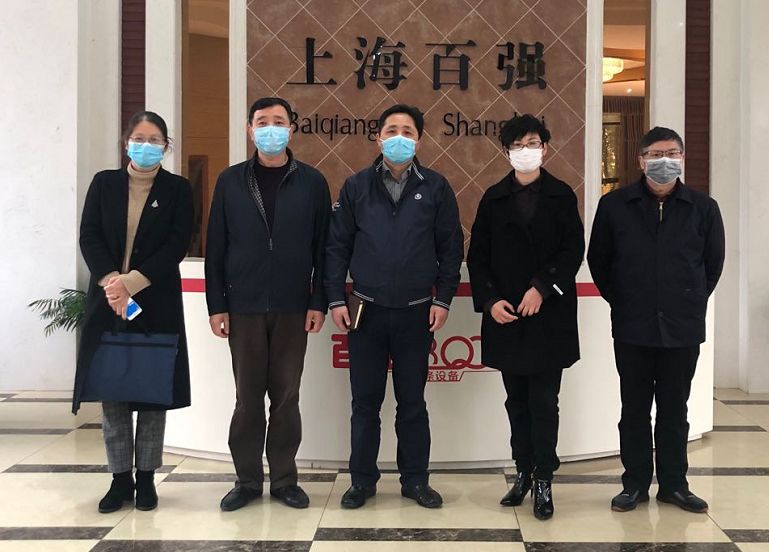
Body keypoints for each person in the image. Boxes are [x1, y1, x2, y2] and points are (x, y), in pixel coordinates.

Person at [325, 104, 463, 509]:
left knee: (412, 403)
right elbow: (337, 246)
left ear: (419, 139)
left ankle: (415, 481)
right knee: (365, 403)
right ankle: (362, 481)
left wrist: (444, 298)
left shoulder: (436, 187)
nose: (398, 137)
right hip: (365, 311)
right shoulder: (356, 186)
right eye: (391, 130)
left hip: (417, 311)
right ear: (378, 137)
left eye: (407, 131)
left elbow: (451, 248)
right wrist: (335, 297)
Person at [587, 126, 725, 514]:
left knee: (674, 410)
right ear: (641, 160)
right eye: (655, 154)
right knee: (633, 409)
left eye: (672, 154)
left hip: (682, 328)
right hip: (632, 326)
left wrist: (688, 299)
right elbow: (599, 261)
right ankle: (634, 485)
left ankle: (674, 485)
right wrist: (624, 300)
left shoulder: (703, 207)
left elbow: (712, 264)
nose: (664, 161)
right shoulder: (615, 206)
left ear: (682, 158)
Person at [205, 97, 331, 511]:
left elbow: (324, 248)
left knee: (286, 397)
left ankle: (284, 480)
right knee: (247, 399)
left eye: (279, 121)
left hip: (294, 306)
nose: (271, 128)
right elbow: (216, 246)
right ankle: (246, 481)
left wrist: (318, 301)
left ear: (292, 128)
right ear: (249, 129)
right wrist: (216, 305)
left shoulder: (312, 182)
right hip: (243, 307)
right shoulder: (230, 181)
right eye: (262, 122)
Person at [74, 111, 194, 513]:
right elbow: (89, 234)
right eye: (139, 138)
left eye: (155, 139)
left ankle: (146, 479)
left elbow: (178, 243)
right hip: (108, 300)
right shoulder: (104, 183)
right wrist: (112, 282)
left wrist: (132, 283)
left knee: (152, 391)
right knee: (113, 391)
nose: (146, 145)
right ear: (126, 142)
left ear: (166, 146)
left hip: (155, 303)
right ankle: (119, 479)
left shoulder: (177, 189)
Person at [467, 114, 584, 520]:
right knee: (516, 401)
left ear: (545, 148)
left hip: (548, 318)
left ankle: (544, 477)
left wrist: (542, 287)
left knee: (544, 402)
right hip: (507, 318)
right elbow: (477, 257)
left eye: (532, 143)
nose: (525, 151)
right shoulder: (493, 197)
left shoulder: (561, 195)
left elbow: (572, 251)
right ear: (506, 151)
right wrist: (490, 300)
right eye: (517, 145)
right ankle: (523, 472)